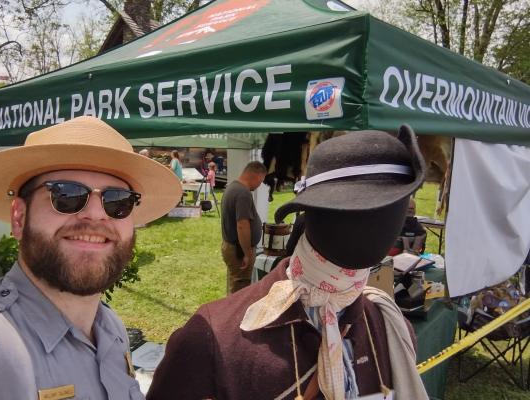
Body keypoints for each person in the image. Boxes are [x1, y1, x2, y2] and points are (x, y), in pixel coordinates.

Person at [148, 127, 428, 400]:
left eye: (389, 207)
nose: (375, 225)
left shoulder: (391, 329)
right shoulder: (212, 338)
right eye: (360, 209)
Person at [0, 116, 182, 400]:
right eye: (67, 195)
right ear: (19, 217)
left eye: (117, 201)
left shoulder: (110, 330)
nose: (96, 214)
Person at [220, 161, 267, 294]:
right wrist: (247, 253)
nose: (259, 184)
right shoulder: (243, 193)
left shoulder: (233, 187)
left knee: (235, 285)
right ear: (257, 176)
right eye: (261, 180)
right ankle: (234, 315)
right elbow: (242, 225)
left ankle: (229, 312)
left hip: (232, 247)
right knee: (239, 290)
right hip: (238, 251)